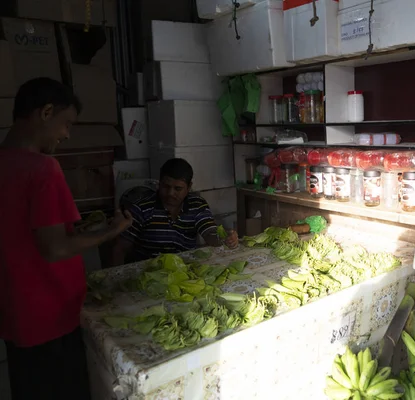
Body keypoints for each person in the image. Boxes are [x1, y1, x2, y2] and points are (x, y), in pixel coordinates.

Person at [0, 78, 133, 400]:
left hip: (15, 312)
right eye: (66, 124)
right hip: (50, 315)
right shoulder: (43, 168)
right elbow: (55, 247)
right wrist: (109, 232)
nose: (66, 134)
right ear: (46, 112)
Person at [110, 158, 239, 266]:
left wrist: (224, 237)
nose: (170, 193)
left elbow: (210, 234)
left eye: (178, 189)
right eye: (166, 186)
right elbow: (120, 249)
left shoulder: (197, 205)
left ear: (188, 187)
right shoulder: (141, 208)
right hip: (148, 272)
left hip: (184, 270)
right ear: (159, 184)